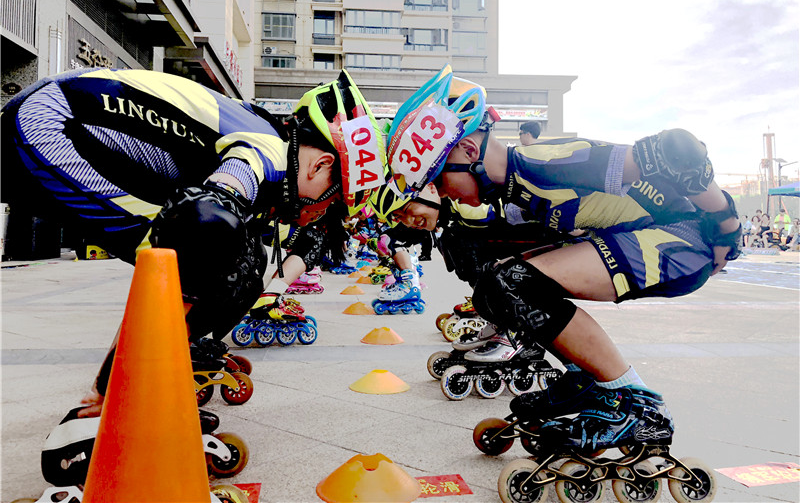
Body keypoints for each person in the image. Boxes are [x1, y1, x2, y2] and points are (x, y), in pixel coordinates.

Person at [384, 65, 741, 450]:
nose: (442, 192)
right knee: (497, 287)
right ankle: (588, 380)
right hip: (651, 242)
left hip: (680, 243)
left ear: (469, 150)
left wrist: (727, 224)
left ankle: (638, 407)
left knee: (510, 285)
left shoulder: (545, 162)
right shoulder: (518, 189)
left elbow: (679, 151)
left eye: (438, 177)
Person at [1, 67, 385, 416]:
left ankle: (141, 369)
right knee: (199, 247)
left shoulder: (269, 141)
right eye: (332, 202)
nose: (319, 214)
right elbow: (208, 217)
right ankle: (115, 394)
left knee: (225, 257)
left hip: (64, 119)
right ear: (322, 166)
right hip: (47, 123)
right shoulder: (270, 152)